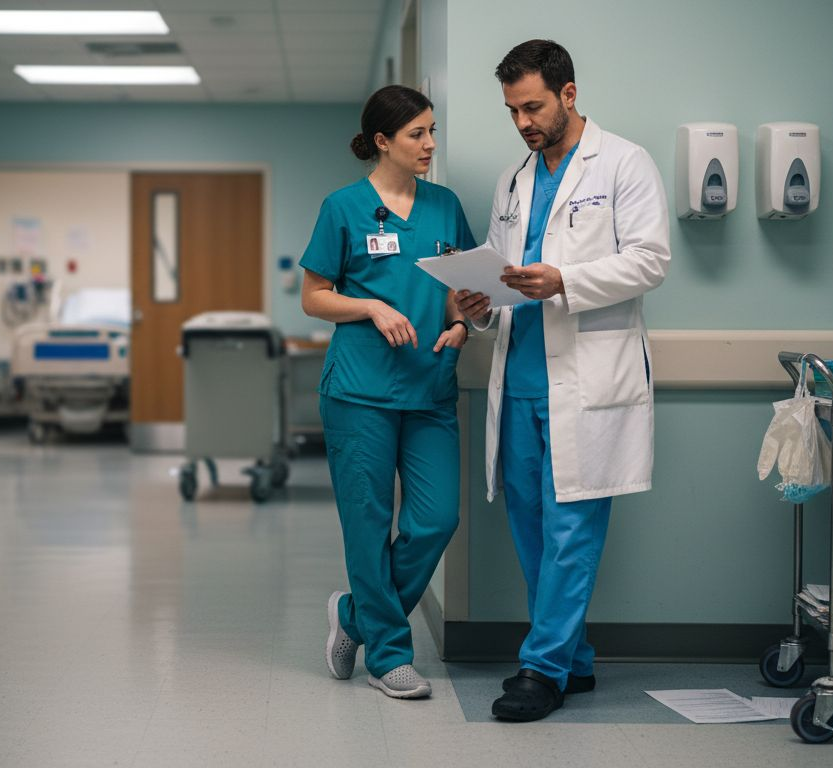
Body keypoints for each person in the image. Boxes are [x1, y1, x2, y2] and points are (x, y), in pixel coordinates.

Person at [454, 40, 670, 721]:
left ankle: (542, 669)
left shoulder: (625, 162)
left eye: (534, 106)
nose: (522, 121)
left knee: (572, 527)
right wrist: (479, 303)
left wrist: (566, 280)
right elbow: (501, 269)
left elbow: (650, 261)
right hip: (518, 378)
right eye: (512, 109)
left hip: (588, 381)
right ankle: (574, 659)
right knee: (531, 529)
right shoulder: (513, 181)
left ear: (568, 95)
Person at [301, 84, 477, 700]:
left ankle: (355, 618)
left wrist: (460, 323)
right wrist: (371, 305)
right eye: (417, 134)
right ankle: (390, 654)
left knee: (436, 519)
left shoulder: (445, 206)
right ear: (383, 141)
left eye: (432, 131)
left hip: (429, 385)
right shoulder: (343, 207)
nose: (430, 144)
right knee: (369, 524)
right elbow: (314, 295)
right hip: (359, 392)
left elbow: (462, 286)